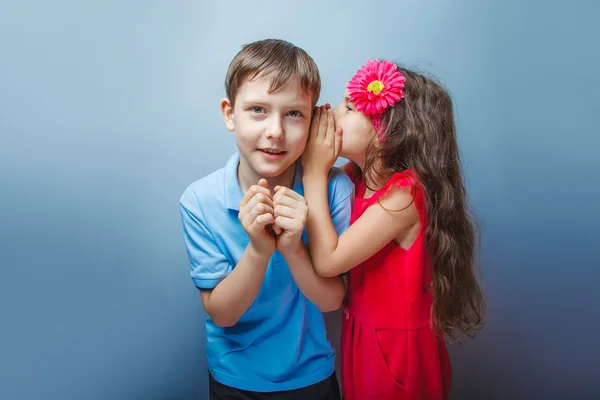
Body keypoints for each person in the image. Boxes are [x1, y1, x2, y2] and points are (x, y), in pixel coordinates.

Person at [179, 39, 353, 399]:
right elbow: (222, 315)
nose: (275, 131)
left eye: (294, 114)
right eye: (258, 109)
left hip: (312, 375)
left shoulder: (333, 189)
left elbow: (332, 300)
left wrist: (292, 248)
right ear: (230, 113)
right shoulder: (200, 200)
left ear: (313, 119)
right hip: (234, 379)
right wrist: (259, 251)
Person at [301, 59, 486, 399]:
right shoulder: (353, 179)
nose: (331, 112)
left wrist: (314, 172)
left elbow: (328, 261)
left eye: (349, 106)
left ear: (388, 133)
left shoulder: (404, 194)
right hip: (363, 336)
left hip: (396, 352)